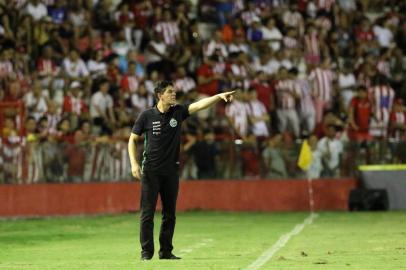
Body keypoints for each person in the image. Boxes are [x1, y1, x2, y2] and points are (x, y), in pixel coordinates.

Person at [128, 81, 235, 260]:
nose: (173, 94)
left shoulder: (178, 112)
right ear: (159, 95)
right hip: (151, 171)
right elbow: (132, 140)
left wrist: (218, 97)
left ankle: (166, 252)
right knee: (147, 214)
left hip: (171, 171)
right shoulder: (146, 116)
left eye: (174, 92)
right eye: (170, 92)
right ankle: (146, 253)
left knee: (169, 214)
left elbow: (199, 105)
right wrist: (134, 163)